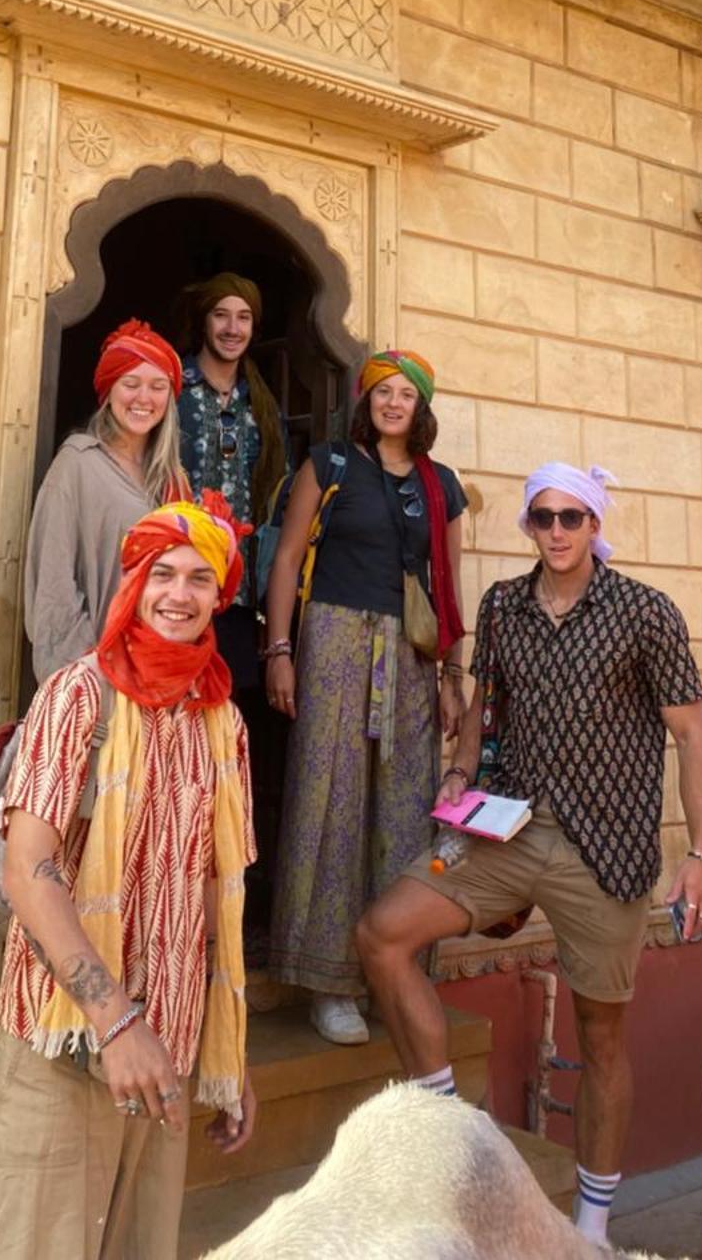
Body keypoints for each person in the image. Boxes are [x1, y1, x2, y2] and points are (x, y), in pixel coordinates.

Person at [355, 460, 702, 1250]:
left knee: (601, 1038)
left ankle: (591, 1229)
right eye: (543, 517)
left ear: (595, 526)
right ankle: (454, 1131)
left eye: (572, 518)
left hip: (608, 849)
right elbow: (486, 706)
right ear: (528, 525)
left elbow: (692, 734)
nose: (556, 531)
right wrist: (458, 775)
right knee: (384, 934)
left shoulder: (644, 613)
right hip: (510, 830)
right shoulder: (504, 607)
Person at [0, 494, 259, 1260]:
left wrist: (229, 1054)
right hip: (66, 1047)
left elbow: (211, 889)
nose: (179, 594)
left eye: (201, 579)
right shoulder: (80, 696)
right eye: (162, 573)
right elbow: (27, 870)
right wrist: (116, 1021)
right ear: (133, 583)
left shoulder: (222, 723)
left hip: (164, 1055)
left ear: (220, 595)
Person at [264, 349, 468, 1046]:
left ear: (421, 406)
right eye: (381, 392)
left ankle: (394, 967)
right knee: (332, 800)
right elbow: (289, 557)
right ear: (366, 401)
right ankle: (330, 983)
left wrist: (452, 677)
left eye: (404, 394)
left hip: (411, 658)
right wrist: (280, 650)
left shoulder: (442, 487)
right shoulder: (331, 464)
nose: (391, 403)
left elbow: (448, 588)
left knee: (405, 808)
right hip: (332, 642)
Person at [24, 320, 188, 684]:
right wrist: (89, 675)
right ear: (108, 391)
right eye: (130, 384)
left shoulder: (173, 480)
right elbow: (55, 585)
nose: (144, 398)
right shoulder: (77, 464)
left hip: (160, 676)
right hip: (99, 674)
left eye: (158, 386)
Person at [174, 271, 287, 696]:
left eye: (243, 317)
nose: (232, 328)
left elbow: (278, 498)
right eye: (221, 315)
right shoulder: (171, 388)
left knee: (227, 711)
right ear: (204, 321)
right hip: (175, 583)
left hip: (239, 596)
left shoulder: (260, 403)